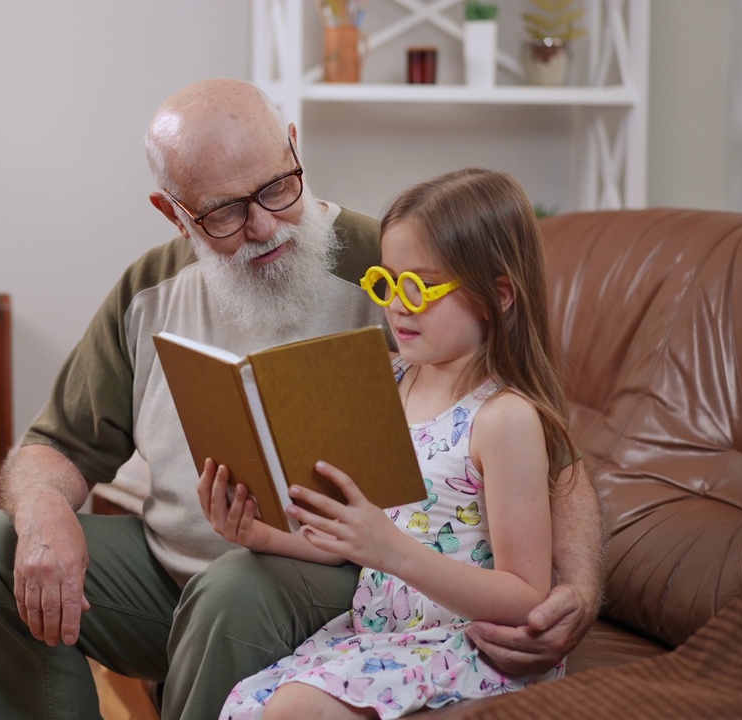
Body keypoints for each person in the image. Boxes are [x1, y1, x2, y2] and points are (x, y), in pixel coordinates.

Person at [0, 78, 604, 720]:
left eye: (276, 189)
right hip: (174, 575)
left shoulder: (395, 269)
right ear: (173, 213)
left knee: (236, 588)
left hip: (334, 583)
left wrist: (574, 591)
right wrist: (45, 510)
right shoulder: (148, 290)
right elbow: (54, 446)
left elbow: (547, 446)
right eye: (224, 211)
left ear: (293, 148)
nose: (262, 225)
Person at [214, 167, 575, 719]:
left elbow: (527, 596)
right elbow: (355, 541)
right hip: (383, 636)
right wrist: (259, 535)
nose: (398, 306)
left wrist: (394, 552)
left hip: (464, 646)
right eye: (387, 283)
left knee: (293, 710)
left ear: (496, 296)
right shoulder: (390, 381)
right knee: (248, 705)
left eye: (419, 287)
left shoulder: (504, 420)